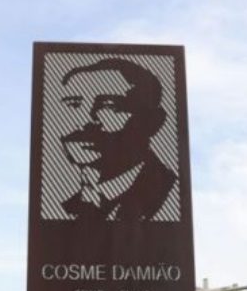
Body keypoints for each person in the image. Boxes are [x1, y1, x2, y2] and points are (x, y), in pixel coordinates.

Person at [54, 58, 178, 222]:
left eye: (110, 106)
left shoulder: (166, 195)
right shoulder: (67, 208)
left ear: (151, 121)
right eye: (73, 105)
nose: (85, 120)